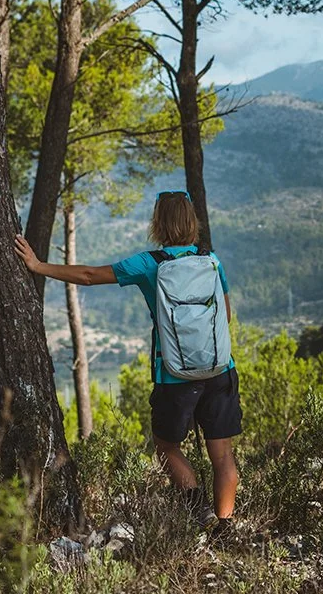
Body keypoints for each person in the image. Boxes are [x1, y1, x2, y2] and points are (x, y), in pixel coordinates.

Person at [13, 190, 240, 532]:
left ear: (158, 223)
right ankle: (225, 528)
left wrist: (38, 266)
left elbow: (90, 275)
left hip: (174, 376)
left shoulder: (151, 264)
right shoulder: (212, 260)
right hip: (220, 371)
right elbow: (226, 313)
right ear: (192, 222)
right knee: (222, 456)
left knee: (166, 447)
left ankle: (200, 512)